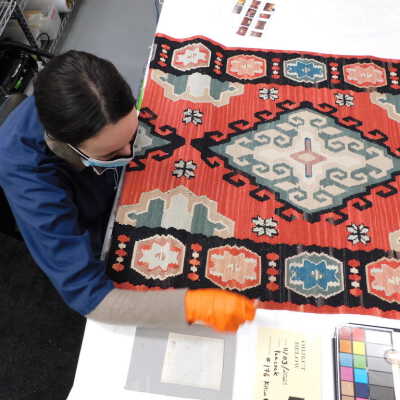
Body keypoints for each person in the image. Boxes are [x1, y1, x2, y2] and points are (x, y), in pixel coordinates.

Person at [0, 50, 255, 332]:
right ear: (69, 147)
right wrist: (192, 307)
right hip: (94, 223)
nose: (130, 152)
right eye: (111, 153)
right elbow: (90, 297)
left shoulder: (89, 92)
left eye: (132, 136)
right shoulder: (29, 178)